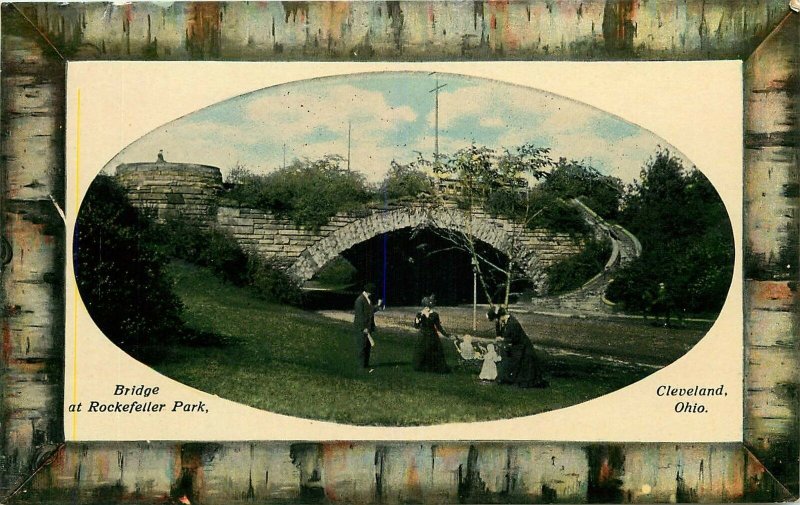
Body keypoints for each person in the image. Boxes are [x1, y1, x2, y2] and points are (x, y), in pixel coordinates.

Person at [487, 307, 547, 388]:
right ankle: (506, 379)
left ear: (502, 316)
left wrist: (503, 339)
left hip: (522, 347)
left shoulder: (512, 323)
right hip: (516, 346)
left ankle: (521, 382)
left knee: (521, 365)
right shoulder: (504, 321)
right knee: (509, 361)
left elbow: (515, 338)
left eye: (498, 319)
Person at [412, 295, 451, 373]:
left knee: (434, 352)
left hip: (432, 336)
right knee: (422, 352)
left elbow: (438, 326)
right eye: (426, 307)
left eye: (429, 307)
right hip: (423, 336)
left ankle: (434, 368)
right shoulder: (419, 314)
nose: (428, 308)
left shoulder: (434, 315)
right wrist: (417, 321)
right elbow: (416, 326)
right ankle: (422, 367)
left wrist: (446, 334)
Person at [353, 283, 380, 371]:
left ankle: (365, 365)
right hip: (362, 328)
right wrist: (363, 327)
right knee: (362, 347)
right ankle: (361, 367)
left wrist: (378, 306)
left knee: (367, 347)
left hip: (368, 327)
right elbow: (360, 316)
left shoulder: (367, 299)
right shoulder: (359, 300)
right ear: (369, 292)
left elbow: (370, 311)